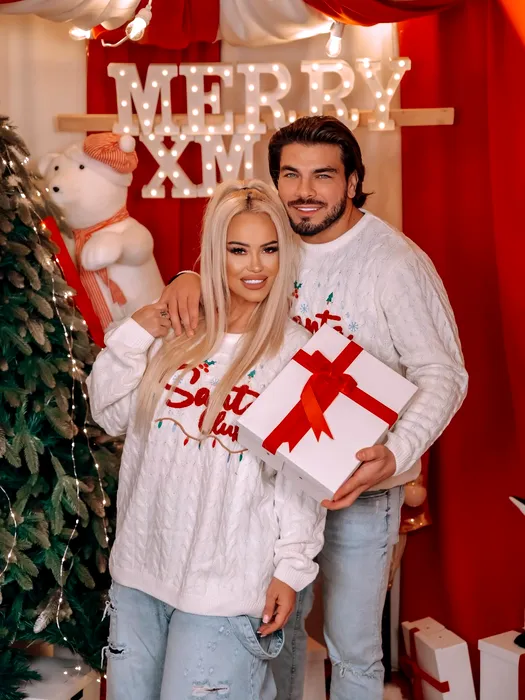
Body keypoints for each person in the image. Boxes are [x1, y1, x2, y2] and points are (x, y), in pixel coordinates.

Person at [161, 116, 468, 700]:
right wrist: (185, 275)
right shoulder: (276, 242)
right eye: (290, 175)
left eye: (323, 175)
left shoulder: (394, 263)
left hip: (359, 488)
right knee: (274, 631)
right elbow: (232, 271)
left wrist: (397, 453)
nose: (304, 191)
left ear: (352, 182)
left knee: (352, 647)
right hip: (270, 484)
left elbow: (445, 373)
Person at [87, 180, 326, 700]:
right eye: (238, 250)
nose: (255, 266)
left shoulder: (298, 353)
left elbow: (299, 480)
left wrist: (291, 569)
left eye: (269, 249)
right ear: (216, 254)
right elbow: (109, 414)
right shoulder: (180, 330)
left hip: (226, 587)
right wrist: (139, 329)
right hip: (141, 572)